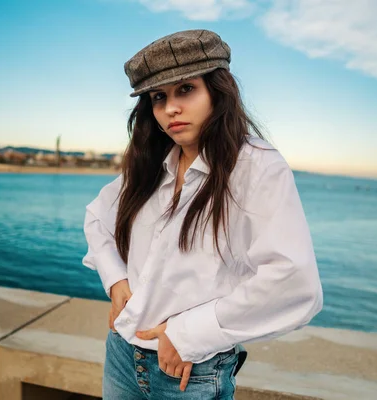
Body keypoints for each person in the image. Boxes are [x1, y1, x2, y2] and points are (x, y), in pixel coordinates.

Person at [83, 29, 323, 399]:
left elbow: (294, 283)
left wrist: (188, 334)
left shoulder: (255, 167)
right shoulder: (153, 164)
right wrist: (116, 281)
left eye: (186, 90)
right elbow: (98, 218)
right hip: (121, 354)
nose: (170, 109)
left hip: (189, 372)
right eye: (158, 97)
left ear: (218, 90)